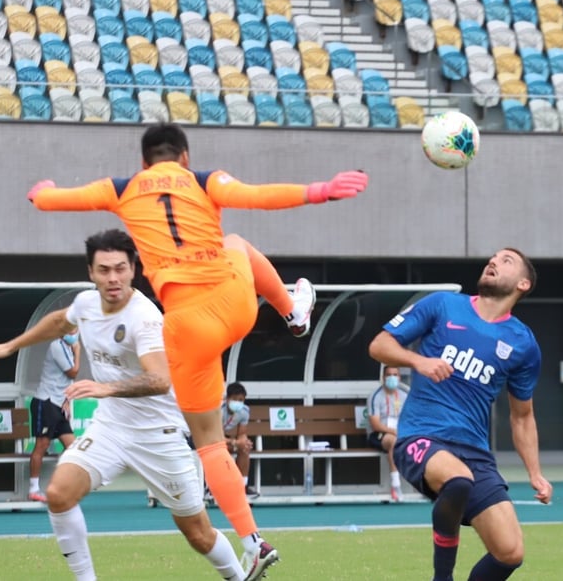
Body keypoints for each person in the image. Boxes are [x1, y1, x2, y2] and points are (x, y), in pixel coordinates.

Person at [26, 123, 368, 577]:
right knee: (236, 244)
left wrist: (42, 191)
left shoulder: (124, 189)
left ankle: (251, 538)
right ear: (184, 157)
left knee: (208, 443)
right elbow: (256, 195)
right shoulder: (203, 180)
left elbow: (52, 201)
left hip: (186, 326)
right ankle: (292, 311)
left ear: (144, 162)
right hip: (235, 304)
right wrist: (319, 190)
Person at [0, 229, 248, 581]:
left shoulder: (144, 318)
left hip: (157, 435)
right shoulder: (86, 304)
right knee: (58, 494)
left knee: (198, 533)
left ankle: (240, 577)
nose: (112, 278)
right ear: (91, 272)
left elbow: (160, 379)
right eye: (104, 270)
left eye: (119, 268)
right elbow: (59, 321)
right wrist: (8, 347)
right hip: (112, 428)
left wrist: (106, 388)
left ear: (134, 269)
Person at [368, 248, 552, 581]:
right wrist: (419, 361)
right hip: (420, 436)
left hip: (474, 451)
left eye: (506, 260)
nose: (494, 261)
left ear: (523, 284)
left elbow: (522, 416)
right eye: (493, 257)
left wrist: (535, 474)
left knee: (510, 552)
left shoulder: (523, 343)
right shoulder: (443, 305)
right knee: (458, 480)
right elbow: (379, 344)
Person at [28, 332, 81, 502]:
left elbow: (66, 381)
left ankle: (61, 485)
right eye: (70, 330)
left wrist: (67, 400)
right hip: (46, 402)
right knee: (42, 444)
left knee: (73, 448)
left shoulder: (68, 347)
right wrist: (78, 351)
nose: (74, 334)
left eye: (75, 330)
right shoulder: (57, 346)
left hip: (59, 405)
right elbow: (73, 373)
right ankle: (33, 489)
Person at [366, 365, 409, 502]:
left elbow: (411, 418)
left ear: (399, 377)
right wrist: (394, 431)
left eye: (395, 375)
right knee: (393, 440)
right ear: (383, 377)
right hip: (380, 434)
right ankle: (395, 484)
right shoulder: (376, 396)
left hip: (401, 433)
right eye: (389, 375)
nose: (392, 378)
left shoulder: (404, 395)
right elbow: (375, 424)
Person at [221, 382, 256, 498]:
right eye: (236, 400)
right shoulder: (218, 411)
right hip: (207, 438)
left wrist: (244, 442)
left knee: (244, 449)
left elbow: (242, 434)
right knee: (220, 450)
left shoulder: (244, 411)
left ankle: (242, 486)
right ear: (227, 399)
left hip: (224, 439)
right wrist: (235, 442)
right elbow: (215, 436)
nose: (239, 403)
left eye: (241, 400)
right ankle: (220, 486)